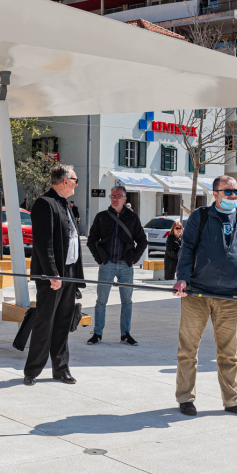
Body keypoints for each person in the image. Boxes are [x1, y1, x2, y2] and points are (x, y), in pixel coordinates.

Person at [173, 175, 237, 416]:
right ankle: (185, 398)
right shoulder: (200, 217)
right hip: (196, 295)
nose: (234, 195)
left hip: (230, 297)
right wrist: (182, 278)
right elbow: (187, 249)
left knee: (229, 353)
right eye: (228, 191)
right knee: (188, 350)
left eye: (236, 191)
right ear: (216, 194)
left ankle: (233, 400)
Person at [24, 165, 84, 385]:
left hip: (69, 272)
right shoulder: (44, 203)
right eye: (75, 180)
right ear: (65, 181)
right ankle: (32, 371)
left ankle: (61, 369)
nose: (78, 184)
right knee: (45, 322)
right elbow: (44, 243)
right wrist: (52, 274)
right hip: (53, 275)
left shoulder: (65, 204)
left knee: (63, 322)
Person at [86, 186, 147, 345]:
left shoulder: (132, 218)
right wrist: (100, 259)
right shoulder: (102, 217)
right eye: (113, 195)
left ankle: (125, 334)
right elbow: (91, 240)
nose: (115, 198)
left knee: (127, 301)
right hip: (107, 264)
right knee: (101, 301)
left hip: (125, 265)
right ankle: (97, 333)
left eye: (118, 196)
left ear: (125, 199)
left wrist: (133, 259)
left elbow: (142, 241)